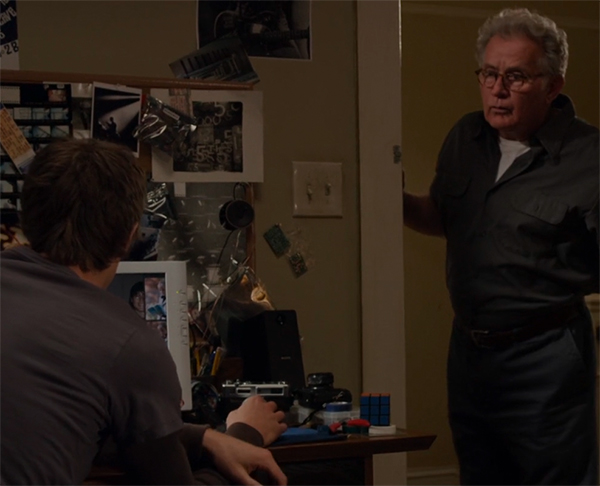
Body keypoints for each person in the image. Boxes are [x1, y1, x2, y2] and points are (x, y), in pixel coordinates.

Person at [0, 138, 287, 485]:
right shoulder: (128, 344)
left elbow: (51, 424)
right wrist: (245, 434)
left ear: (26, 219)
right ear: (129, 237)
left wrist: (203, 438)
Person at [403, 8, 598, 485]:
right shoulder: (466, 137)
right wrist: (393, 200)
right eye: (489, 74)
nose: (498, 89)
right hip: (470, 353)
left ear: (553, 86)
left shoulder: (589, 156)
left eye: (515, 76)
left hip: (546, 356)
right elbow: (445, 219)